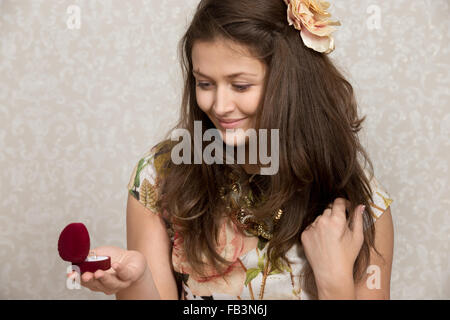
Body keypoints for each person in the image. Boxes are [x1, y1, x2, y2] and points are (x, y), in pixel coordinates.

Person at [76, 0, 394, 300]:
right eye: (205, 84)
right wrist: (137, 281)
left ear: (290, 82)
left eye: (240, 86)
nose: (220, 106)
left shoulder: (359, 198)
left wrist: (335, 284)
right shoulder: (158, 177)